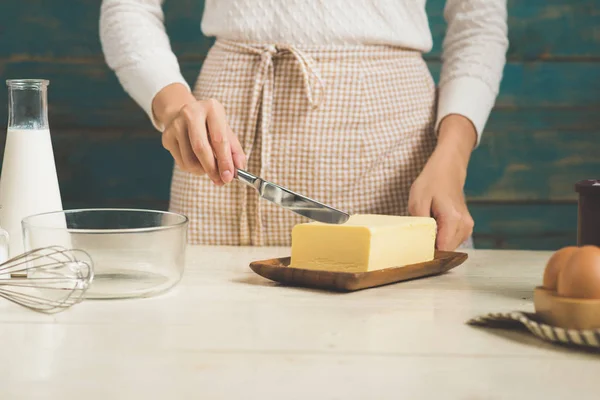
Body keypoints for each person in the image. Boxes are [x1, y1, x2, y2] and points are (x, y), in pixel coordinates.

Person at [99, 0, 508, 250]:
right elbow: (128, 5)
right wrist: (174, 108)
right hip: (225, 144)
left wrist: (451, 160)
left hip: (397, 150)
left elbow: (479, 22)